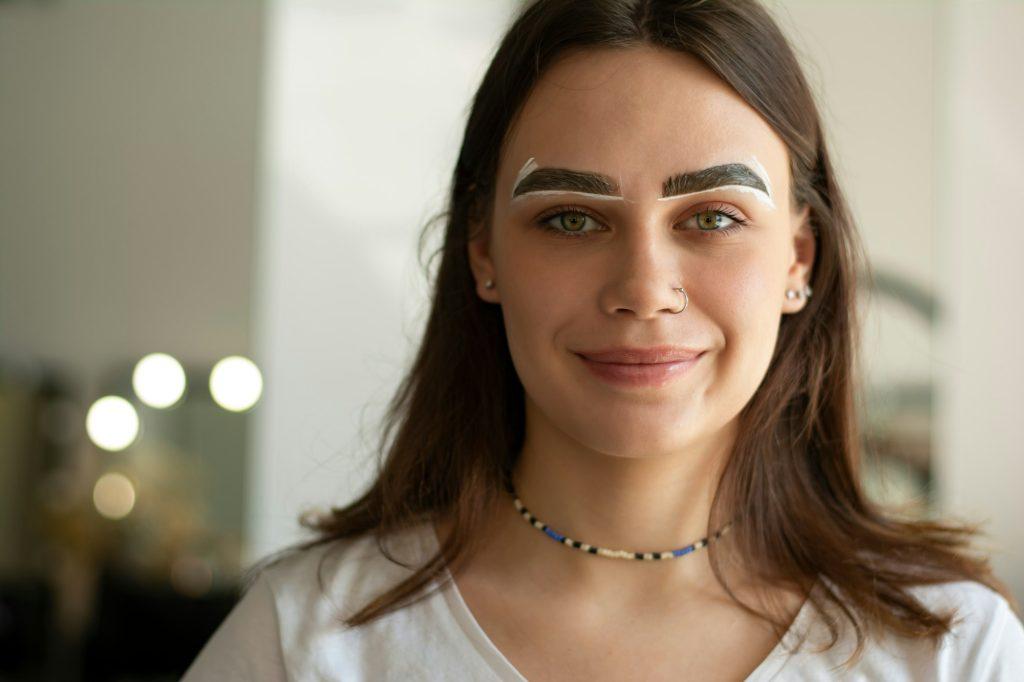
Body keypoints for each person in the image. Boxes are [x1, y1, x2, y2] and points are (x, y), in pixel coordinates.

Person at [183, 0, 1024, 679]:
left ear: (798, 258)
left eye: (714, 217)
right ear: (484, 254)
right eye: (572, 218)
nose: (643, 288)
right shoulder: (305, 641)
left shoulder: (950, 650)